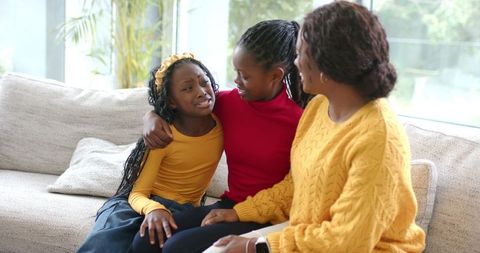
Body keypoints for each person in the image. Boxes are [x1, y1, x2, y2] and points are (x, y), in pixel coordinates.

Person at [204, 2, 426, 252]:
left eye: (300, 54)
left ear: (327, 66)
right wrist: (240, 212)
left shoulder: (379, 136)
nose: (295, 63)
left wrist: (257, 247)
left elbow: (348, 240)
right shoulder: (318, 108)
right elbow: (297, 185)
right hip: (310, 235)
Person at [140, 20, 312, 252]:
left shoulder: (299, 122)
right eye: (236, 72)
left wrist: (238, 213)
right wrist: (150, 117)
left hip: (264, 216)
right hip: (229, 203)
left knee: (176, 248)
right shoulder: (229, 103)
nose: (237, 81)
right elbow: (181, 104)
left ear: (275, 76)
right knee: (147, 239)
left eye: (245, 76)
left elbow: (294, 190)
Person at [77, 53, 224, 253]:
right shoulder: (163, 136)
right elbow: (137, 193)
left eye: (204, 82)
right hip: (138, 206)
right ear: (171, 101)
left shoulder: (223, 123)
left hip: (184, 211)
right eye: (188, 88)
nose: (201, 91)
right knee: (105, 244)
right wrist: (154, 209)